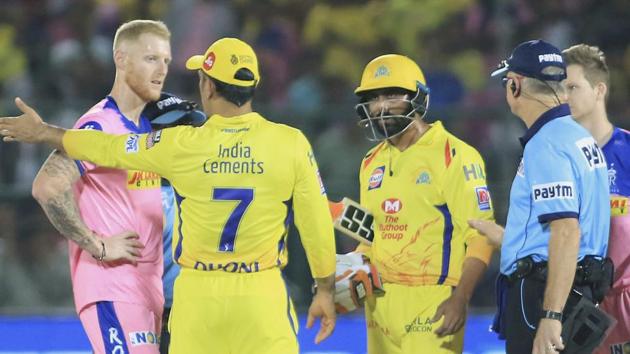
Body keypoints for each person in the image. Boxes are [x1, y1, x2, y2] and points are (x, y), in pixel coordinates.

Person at [0, 37, 337, 354]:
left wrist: (45, 132)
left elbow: (108, 147)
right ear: (253, 86)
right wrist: (324, 289)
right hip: (260, 291)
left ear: (207, 85)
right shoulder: (290, 143)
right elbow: (316, 224)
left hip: (198, 295)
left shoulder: (179, 146)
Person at [29, 20, 171, 353]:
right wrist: (97, 244)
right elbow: (47, 186)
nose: (161, 69)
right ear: (121, 59)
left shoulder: (148, 126)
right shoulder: (99, 124)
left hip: (146, 292)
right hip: (113, 288)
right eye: (151, 58)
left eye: (166, 60)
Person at [469, 39, 610, 354]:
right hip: (577, 291)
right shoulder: (578, 137)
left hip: (544, 298)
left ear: (516, 86)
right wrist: (509, 239)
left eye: (508, 82)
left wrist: (551, 315)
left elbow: (566, 230)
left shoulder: (546, 144)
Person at [350, 53, 495, 353]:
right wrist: (347, 279)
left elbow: (480, 236)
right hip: (379, 305)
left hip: (433, 299)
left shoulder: (454, 155)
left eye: (392, 94)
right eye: (374, 98)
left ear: (417, 98)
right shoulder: (370, 162)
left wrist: (460, 298)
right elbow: (369, 239)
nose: (382, 106)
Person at [562, 43, 630, 354]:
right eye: (560, 88)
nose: (564, 96)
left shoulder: (627, 149)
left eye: (573, 87)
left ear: (599, 89)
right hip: (579, 306)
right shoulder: (557, 159)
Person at [141, 92, 208, 354]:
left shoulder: (204, 181)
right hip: (154, 323)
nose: (185, 136)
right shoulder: (138, 193)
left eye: (188, 128)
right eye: (173, 129)